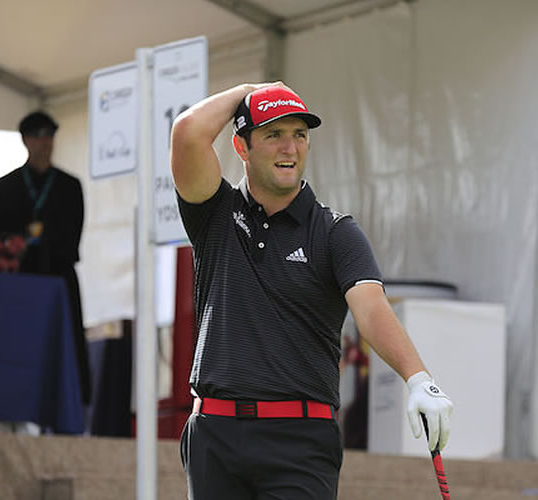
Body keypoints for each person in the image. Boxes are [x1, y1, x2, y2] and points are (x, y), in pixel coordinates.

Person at [172, 82, 454, 499]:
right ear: (241, 146)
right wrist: (251, 90)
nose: (290, 147)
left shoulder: (335, 232)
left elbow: (371, 309)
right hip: (215, 434)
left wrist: (418, 379)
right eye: (273, 134)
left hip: (300, 440)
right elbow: (188, 132)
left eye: (299, 135)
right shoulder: (216, 213)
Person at [0, 111, 90, 406]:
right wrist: (16, 249)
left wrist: (43, 248)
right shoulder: (3, 188)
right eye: (39, 136)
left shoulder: (69, 186)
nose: (46, 143)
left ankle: (69, 405)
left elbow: (72, 241)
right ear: (26, 140)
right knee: (16, 349)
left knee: (64, 348)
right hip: (17, 287)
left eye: (50, 136)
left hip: (57, 283)